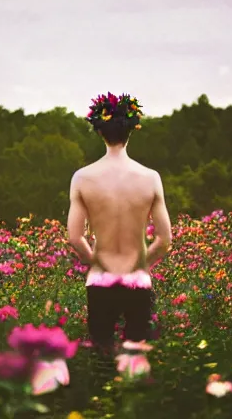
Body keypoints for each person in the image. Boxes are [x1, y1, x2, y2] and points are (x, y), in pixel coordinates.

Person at [67, 92, 172, 353]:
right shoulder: (150, 178)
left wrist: (96, 261)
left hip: (101, 279)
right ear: (130, 131)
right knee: (136, 360)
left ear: (100, 132)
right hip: (137, 279)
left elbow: (75, 237)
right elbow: (165, 239)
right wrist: (141, 264)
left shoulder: (82, 178)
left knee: (102, 357)